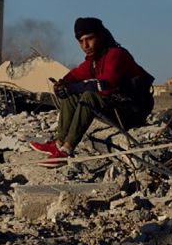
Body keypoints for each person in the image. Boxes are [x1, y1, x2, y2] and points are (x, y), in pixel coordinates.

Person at [31, 17, 154, 165]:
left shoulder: (116, 55)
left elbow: (105, 86)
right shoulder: (95, 61)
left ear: (100, 36)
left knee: (89, 96)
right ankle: (58, 143)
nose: (85, 45)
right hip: (117, 107)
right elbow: (75, 75)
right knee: (71, 96)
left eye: (89, 39)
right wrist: (62, 85)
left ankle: (66, 151)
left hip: (132, 111)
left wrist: (73, 87)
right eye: (81, 41)